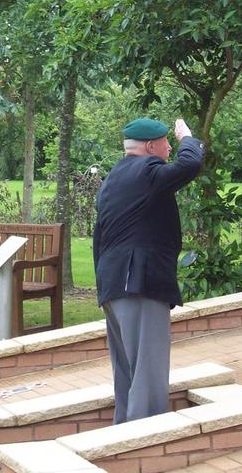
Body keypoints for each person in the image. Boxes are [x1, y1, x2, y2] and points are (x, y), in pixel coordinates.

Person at [93, 117, 204, 424]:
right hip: (139, 284)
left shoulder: (114, 177)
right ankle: (147, 442)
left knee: (127, 371)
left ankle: (124, 435)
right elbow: (189, 166)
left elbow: (99, 236)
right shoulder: (147, 171)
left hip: (115, 285)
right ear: (151, 146)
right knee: (148, 370)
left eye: (173, 140)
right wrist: (188, 139)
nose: (170, 146)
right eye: (166, 142)